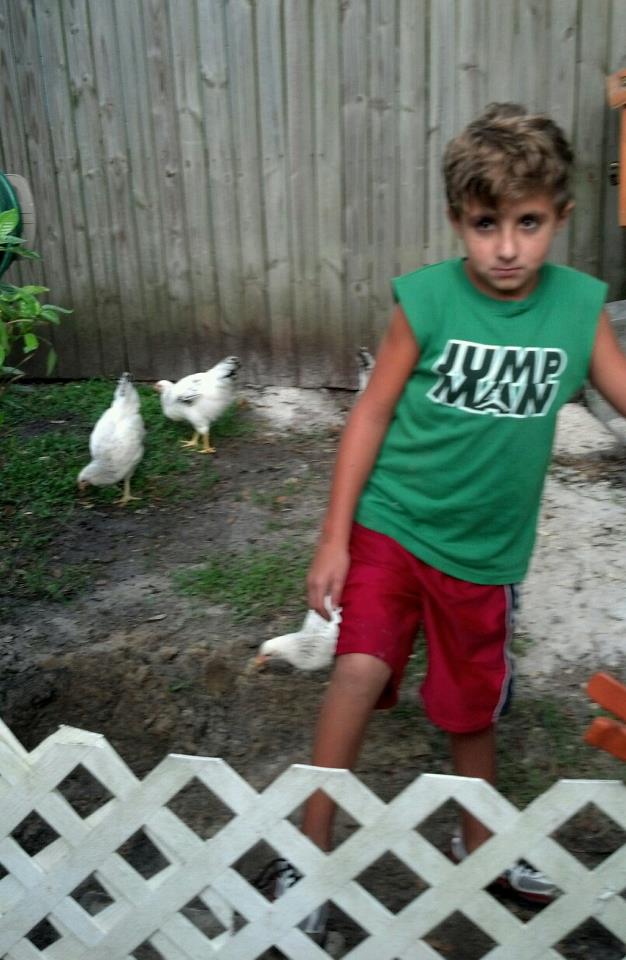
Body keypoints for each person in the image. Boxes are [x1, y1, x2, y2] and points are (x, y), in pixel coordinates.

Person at [260, 102, 626, 932]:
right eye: (486, 223)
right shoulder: (426, 300)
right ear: (458, 220)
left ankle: (480, 846)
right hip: (395, 524)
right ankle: (307, 855)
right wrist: (334, 537)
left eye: (529, 223)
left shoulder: (579, 309)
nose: (507, 247)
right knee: (359, 669)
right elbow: (371, 414)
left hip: (486, 556)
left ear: (561, 216)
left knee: (471, 708)